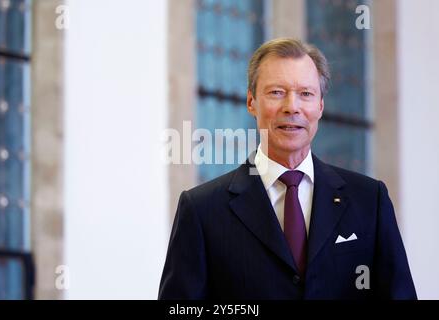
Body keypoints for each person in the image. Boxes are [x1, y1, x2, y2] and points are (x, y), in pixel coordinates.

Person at [158, 38, 416, 299]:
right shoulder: (202, 210)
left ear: (320, 106)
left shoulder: (370, 201)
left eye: (305, 94)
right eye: (276, 92)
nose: (292, 107)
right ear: (251, 103)